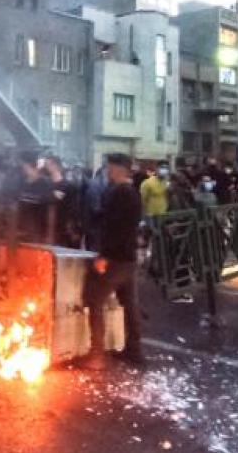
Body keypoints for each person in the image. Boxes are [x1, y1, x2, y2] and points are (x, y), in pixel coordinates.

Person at [79, 153, 144, 370]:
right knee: (130, 304)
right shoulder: (133, 193)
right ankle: (134, 351)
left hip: (115, 258)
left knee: (94, 299)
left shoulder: (119, 193)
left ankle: (96, 355)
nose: (107, 171)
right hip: (129, 257)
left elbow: (113, 228)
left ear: (118, 170)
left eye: (109, 168)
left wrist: (103, 256)